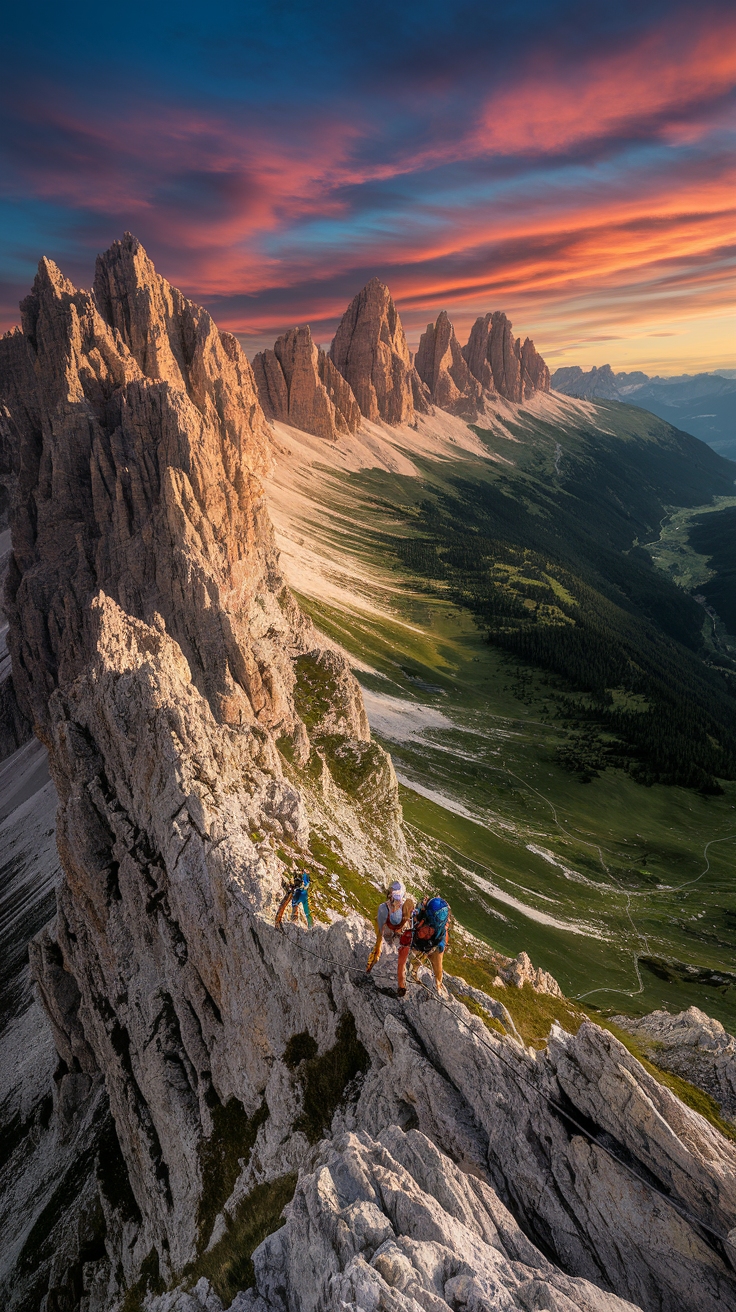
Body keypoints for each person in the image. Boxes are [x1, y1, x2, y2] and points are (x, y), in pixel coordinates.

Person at [397, 895, 450, 997]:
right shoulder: (418, 915)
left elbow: (438, 966)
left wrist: (438, 983)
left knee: (429, 962)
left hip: (426, 947)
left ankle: (413, 972)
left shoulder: (440, 937)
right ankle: (411, 972)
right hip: (417, 943)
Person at [366, 881, 415, 973]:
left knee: (379, 948)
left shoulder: (383, 908)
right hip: (401, 933)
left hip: (388, 931)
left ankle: (370, 967)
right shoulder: (407, 908)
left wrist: (379, 944)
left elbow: (380, 929)